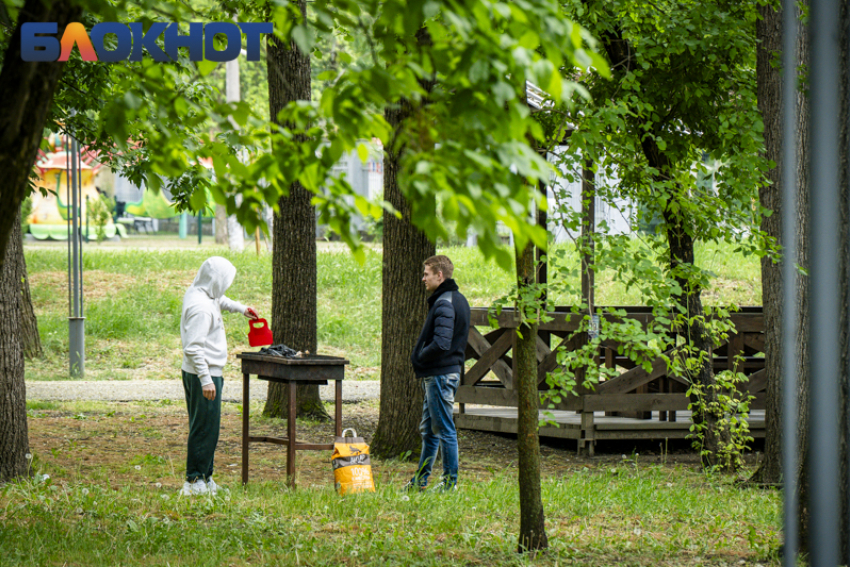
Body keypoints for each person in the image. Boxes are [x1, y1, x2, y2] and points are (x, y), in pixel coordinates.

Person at [180, 256, 258, 496]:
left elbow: (220, 300)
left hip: (203, 372)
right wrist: (206, 379)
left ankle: (206, 476)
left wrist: (242, 309)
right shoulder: (201, 309)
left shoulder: (202, 292)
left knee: (209, 427)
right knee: (204, 427)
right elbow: (193, 347)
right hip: (204, 373)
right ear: (215, 280)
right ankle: (194, 482)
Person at [407, 255, 470, 491]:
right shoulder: (457, 299)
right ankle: (420, 482)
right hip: (442, 373)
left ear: (439, 275)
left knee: (444, 428)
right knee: (430, 430)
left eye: (426, 274)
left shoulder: (444, 302)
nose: (423, 278)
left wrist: (419, 357)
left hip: (440, 375)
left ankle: (449, 484)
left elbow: (442, 343)